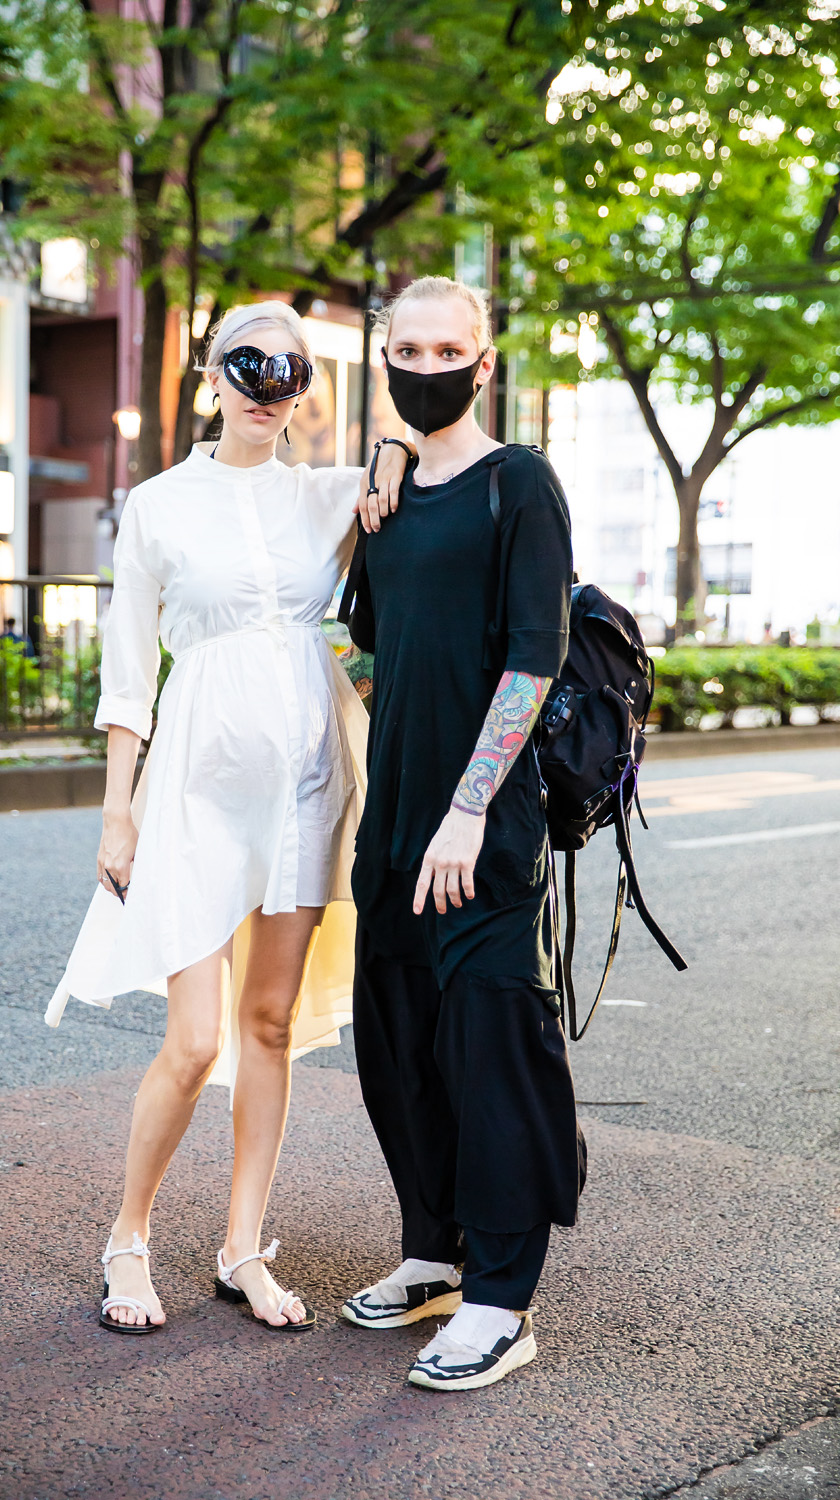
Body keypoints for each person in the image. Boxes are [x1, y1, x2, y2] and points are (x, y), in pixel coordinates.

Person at [45, 301, 408, 1334]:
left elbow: (428, 458)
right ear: (214, 376)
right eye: (249, 365)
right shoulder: (157, 505)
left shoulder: (333, 495)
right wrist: (117, 814)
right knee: (195, 1038)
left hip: (307, 781)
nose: (267, 386)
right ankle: (128, 1236)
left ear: (304, 391)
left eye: (289, 370)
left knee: (269, 1026)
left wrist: (384, 452)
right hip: (196, 785)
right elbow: (127, 676)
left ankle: (243, 1245)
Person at [340, 276, 586, 1391]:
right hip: (390, 824)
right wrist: (373, 781)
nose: (425, 365)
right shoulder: (383, 497)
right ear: (382, 357)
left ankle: (500, 1301)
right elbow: (366, 649)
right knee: (400, 1049)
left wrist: (468, 806)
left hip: (479, 829)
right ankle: (432, 1258)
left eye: (447, 350)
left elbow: (534, 657)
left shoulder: (519, 484)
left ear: (483, 364)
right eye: (407, 347)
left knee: (491, 1055)